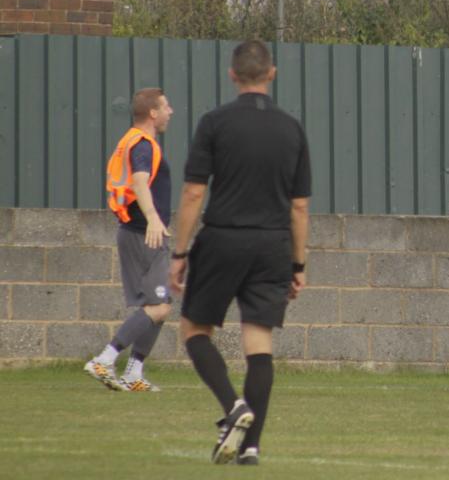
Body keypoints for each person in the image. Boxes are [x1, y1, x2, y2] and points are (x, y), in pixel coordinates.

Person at [169, 40, 312, 465]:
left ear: (232, 75)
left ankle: (233, 407)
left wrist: (179, 253)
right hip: (273, 245)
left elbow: (194, 192)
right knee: (259, 344)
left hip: (223, 240)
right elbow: (299, 207)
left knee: (194, 330)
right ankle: (251, 448)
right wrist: (298, 264)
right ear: (272, 74)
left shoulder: (214, 123)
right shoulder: (292, 129)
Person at [86, 88, 175, 392]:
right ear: (153, 112)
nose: (170, 112)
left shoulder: (131, 141)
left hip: (136, 231)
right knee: (159, 307)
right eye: (166, 107)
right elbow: (139, 181)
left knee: (159, 305)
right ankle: (104, 359)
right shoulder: (143, 144)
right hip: (144, 233)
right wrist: (153, 218)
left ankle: (134, 372)